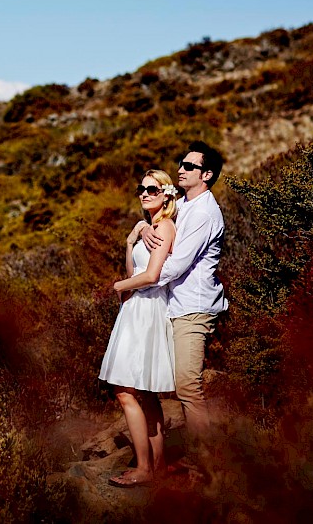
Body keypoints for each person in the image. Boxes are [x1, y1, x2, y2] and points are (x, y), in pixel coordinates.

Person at [140, 141, 226, 448]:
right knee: (172, 384)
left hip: (194, 308)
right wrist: (142, 227)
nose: (181, 169)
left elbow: (177, 264)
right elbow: (160, 227)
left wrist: (142, 281)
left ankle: (209, 462)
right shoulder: (185, 205)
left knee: (188, 386)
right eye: (181, 163)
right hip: (175, 305)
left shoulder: (205, 212)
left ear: (207, 174)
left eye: (189, 166)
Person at [99, 169, 180, 487]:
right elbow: (135, 268)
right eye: (141, 189)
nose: (144, 193)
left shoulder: (167, 226)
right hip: (135, 307)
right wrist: (132, 238)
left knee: (125, 390)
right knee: (143, 392)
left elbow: (152, 275)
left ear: (166, 194)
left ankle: (145, 467)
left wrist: (118, 285)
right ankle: (156, 467)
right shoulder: (149, 227)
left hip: (146, 308)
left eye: (152, 189)